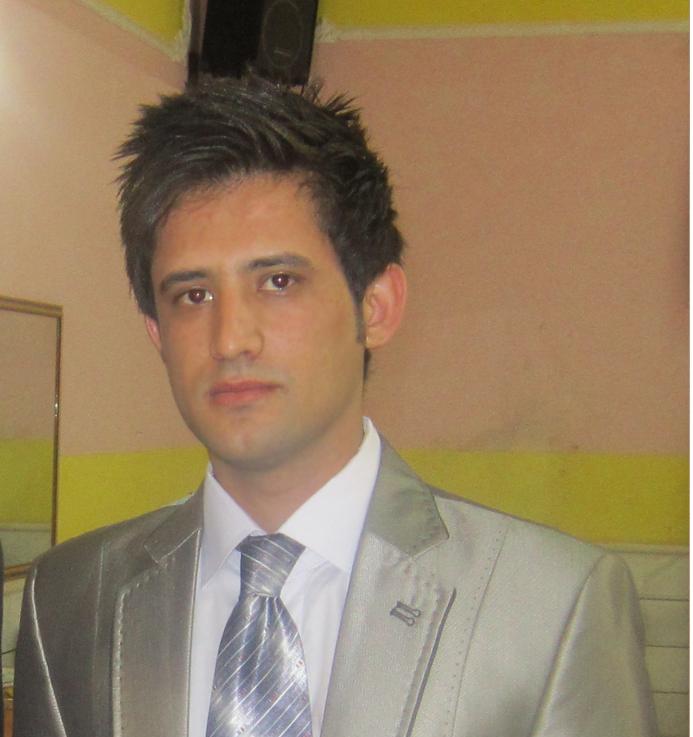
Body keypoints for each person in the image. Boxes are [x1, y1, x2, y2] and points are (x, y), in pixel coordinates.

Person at [14, 74, 656, 737]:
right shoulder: (72, 598)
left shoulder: (551, 608)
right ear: (156, 332)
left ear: (375, 307)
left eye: (278, 281)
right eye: (192, 296)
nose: (230, 338)